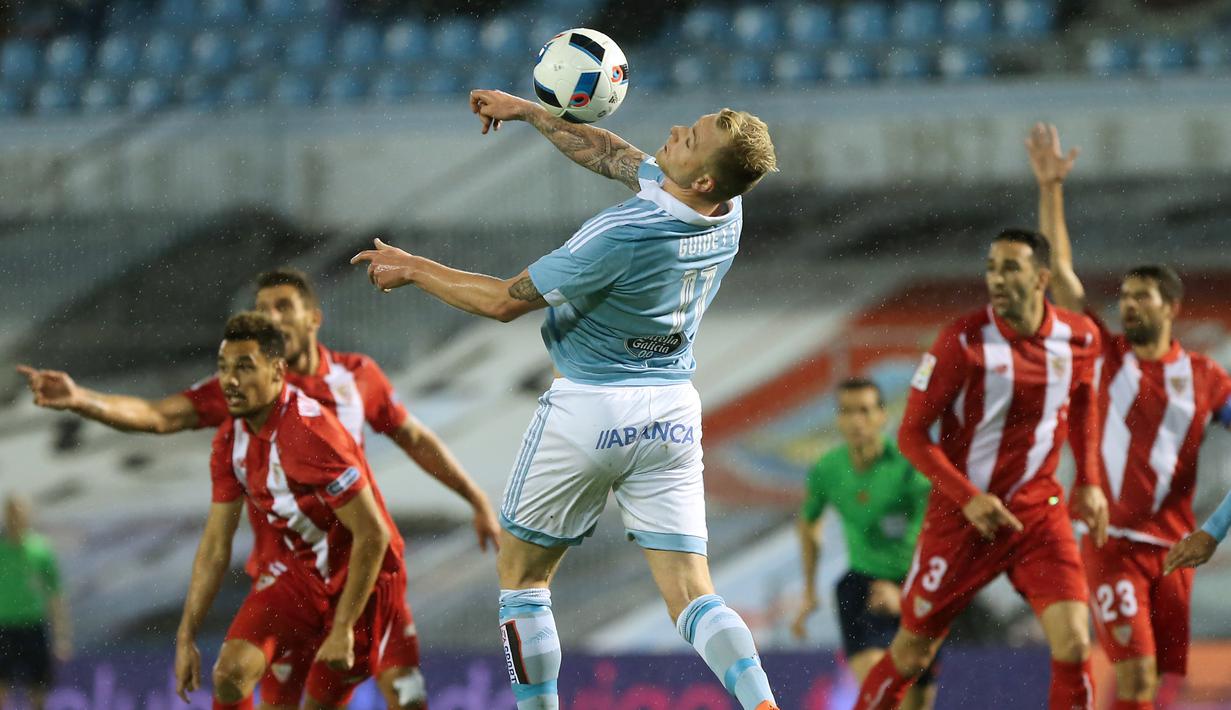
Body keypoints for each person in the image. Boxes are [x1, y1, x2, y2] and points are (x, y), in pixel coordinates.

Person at [352, 88, 780, 710]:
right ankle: (762, 702)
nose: (676, 129)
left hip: (592, 407)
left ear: (705, 176)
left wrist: (415, 267)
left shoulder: (623, 234)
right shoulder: (729, 209)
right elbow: (616, 155)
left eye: (691, 138)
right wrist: (530, 112)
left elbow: (504, 301)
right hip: (671, 416)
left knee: (522, 579)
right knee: (692, 592)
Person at [17, 268, 497, 705]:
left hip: (361, 568)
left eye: (281, 307)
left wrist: (475, 498)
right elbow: (159, 417)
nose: (270, 317)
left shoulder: (350, 384)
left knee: (401, 690)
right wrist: (82, 399)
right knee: (243, 680)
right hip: (287, 570)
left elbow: (413, 440)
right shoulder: (239, 400)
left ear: (313, 318)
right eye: (261, 309)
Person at [851, 228, 1110, 710]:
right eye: (991, 267)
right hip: (961, 520)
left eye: (1011, 267)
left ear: (1041, 278)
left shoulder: (1080, 337)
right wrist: (969, 497)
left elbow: (1083, 402)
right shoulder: (961, 341)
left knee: (1075, 643)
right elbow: (911, 434)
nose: (996, 277)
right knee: (913, 651)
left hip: (1038, 515)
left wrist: (1091, 483)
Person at [1027, 122, 1231, 710]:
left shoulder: (1206, 377)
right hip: (1110, 541)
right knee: (1137, 676)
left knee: (1159, 688)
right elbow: (1060, 276)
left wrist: (1214, 530)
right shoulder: (1104, 352)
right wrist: (1051, 190)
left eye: (1143, 297)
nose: (1129, 304)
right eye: (1125, 295)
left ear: (1172, 307)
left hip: (1173, 549)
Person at [173, 312, 422, 710]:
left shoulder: (310, 434)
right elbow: (216, 545)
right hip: (299, 574)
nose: (230, 380)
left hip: (364, 581)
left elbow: (372, 534)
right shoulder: (229, 443)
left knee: (324, 702)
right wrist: (186, 636)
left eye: (244, 367)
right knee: (230, 675)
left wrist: (342, 627)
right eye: (223, 368)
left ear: (277, 371)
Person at [792, 379, 936, 710]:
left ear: (882, 416)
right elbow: (808, 522)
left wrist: (906, 597)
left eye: (865, 411)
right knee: (880, 696)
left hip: (918, 588)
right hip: (862, 590)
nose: (856, 421)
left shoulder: (909, 463)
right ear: (838, 419)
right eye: (847, 412)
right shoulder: (828, 469)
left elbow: (942, 528)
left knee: (915, 704)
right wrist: (809, 590)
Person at [0, 494, 71, 710]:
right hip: (4, 626)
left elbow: (56, 594)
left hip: (33, 625)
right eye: (12, 513)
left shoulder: (40, 549)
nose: (16, 518)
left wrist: (62, 636)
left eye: (20, 513)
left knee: (38, 687)